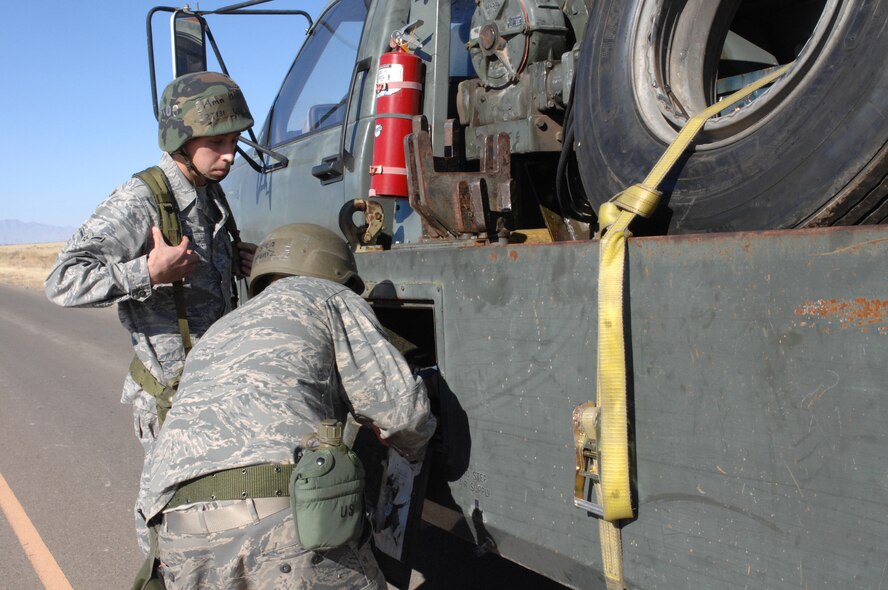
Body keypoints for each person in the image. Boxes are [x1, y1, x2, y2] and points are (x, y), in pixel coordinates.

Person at [137, 223, 437, 589]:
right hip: (282, 522)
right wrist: (412, 452)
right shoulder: (327, 296)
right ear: (336, 272)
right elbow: (404, 415)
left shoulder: (219, 330)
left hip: (177, 535)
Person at [44, 71, 258, 552]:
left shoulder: (209, 191)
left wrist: (246, 260)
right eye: (217, 142)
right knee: (166, 526)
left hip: (208, 389)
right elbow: (62, 280)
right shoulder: (142, 198)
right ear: (182, 141)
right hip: (169, 400)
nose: (229, 154)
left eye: (234, 141)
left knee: (215, 519)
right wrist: (147, 272)